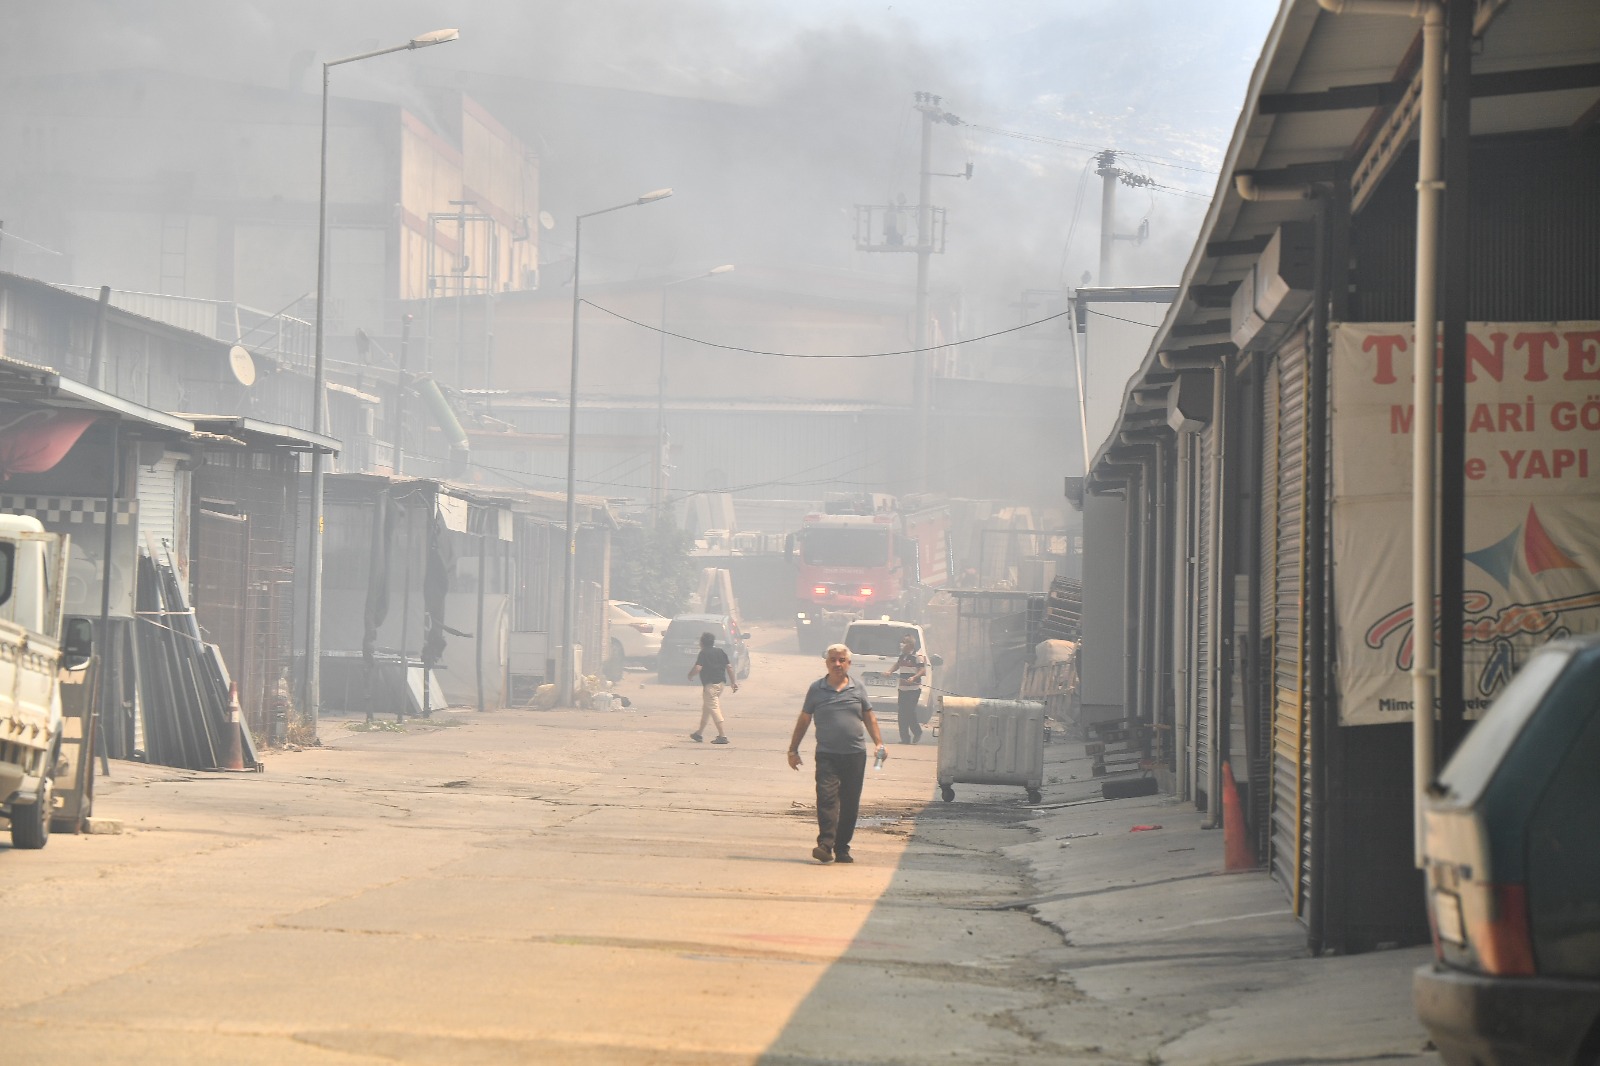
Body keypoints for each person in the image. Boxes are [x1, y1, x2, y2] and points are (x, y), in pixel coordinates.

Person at [786, 643, 886, 864]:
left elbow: (869, 717)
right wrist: (793, 749)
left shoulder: (858, 688)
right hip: (827, 754)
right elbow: (804, 719)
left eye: (842, 660)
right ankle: (825, 844)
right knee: (827, 798)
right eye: (833, 660)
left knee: (850, 803)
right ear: (827, 663)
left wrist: (879, 743)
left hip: (854, 755)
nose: (837, 664)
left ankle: (842, 848)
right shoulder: (816, 689)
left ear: (849, 664)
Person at [688, 630, 737, 744]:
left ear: (702, 643)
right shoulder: (720, 651)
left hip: (710, 686)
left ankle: (722, 736)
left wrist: (690, 675)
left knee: (714, 708)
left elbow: (698, 668)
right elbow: (729, 668)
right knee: (707, 709)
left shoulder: (703, 653)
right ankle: (699, 734)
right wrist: (734, 682)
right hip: (721, 684)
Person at [888, 633, 928, 744]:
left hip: (913, 689)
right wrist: (890, 671)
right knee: (901, 714)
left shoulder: (917, 656)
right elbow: (897, 665)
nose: (901, 644)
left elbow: (922, 671)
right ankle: (905, 738)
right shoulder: (902, 656)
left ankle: (917, 732)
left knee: (910, 711)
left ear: (910, 645)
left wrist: (914, 677)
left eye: (904, 642)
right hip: (903, 689)